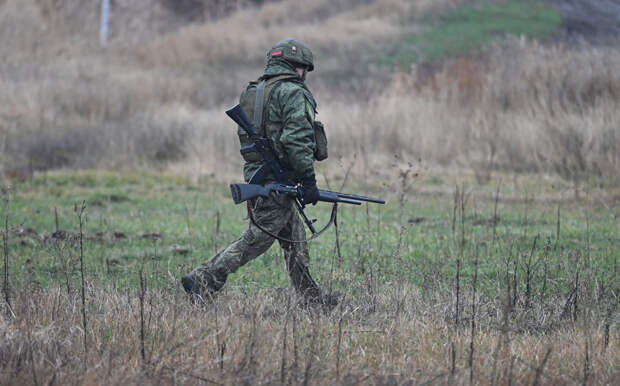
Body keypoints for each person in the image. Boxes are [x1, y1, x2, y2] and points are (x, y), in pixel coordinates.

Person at [182, 39, 336, 307]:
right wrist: (309, 181)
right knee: (259, 238)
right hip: (276, 180)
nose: (305, 74)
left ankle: (312, 300)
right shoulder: (293, 93)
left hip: (261, 175)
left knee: (295, 242)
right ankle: (204, 278)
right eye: (303, 68)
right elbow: (297, 140)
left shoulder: (254, 92)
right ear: (296, 67)